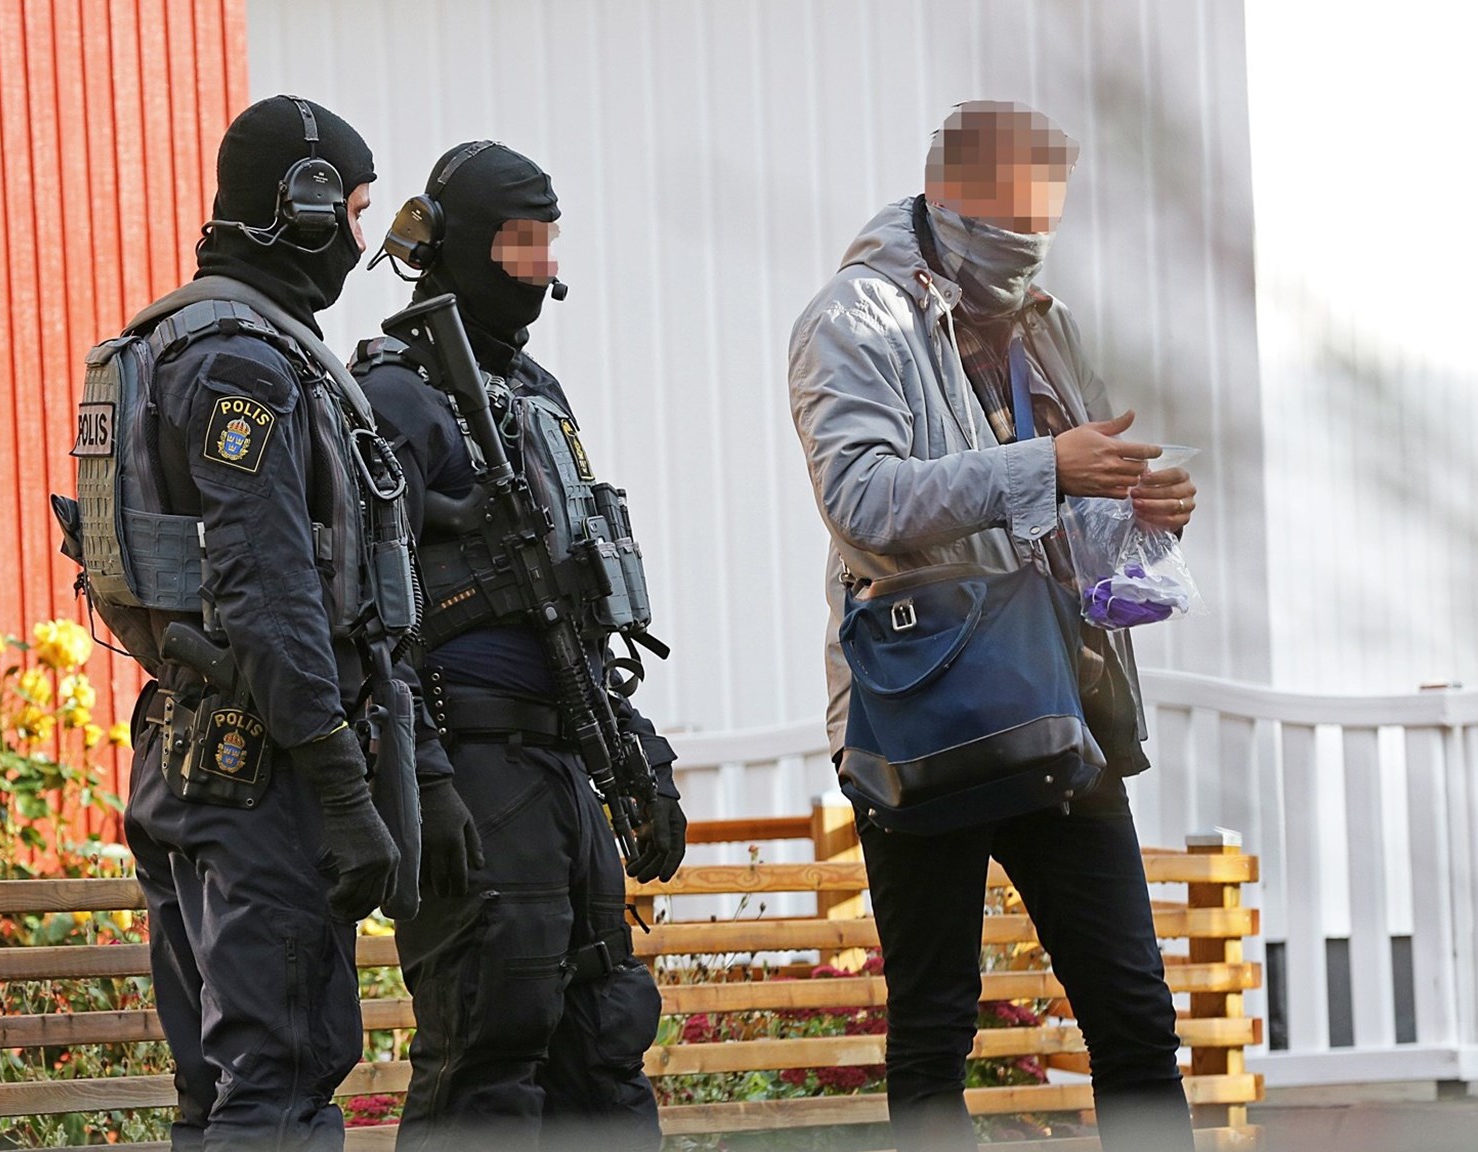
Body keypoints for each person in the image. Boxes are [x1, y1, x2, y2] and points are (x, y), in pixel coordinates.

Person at [786, 101, 1199, 1151]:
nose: (1029, 239)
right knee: (934, 1026)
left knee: (1133, 1018)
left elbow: (1072, 493)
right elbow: (862, 503)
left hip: (1063, 699)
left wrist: (1135, 505)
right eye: (1012, 215)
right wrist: (1044, 469)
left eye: (1044, 216)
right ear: (947, 195)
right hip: (923, 711)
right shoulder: (853, 318)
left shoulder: (1040, 316)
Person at [63, 94, 414, 1150]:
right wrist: (345, 789)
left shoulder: (173, 342)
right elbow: (270, 595)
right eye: (351, 208)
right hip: (262, 777)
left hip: (184, 757)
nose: (358, 237)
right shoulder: (243, 365)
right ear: (297, 204)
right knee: (278, 1076)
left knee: (211, 1091)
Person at [350, 140, 686, 1151]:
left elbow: (572, 599)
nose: (538, 263)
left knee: (602, 1036)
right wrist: (423, 778)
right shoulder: (397, 397)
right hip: (473, 763)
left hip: (560, 763)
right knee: (490, 1042)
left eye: (546, 240)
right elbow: (370, 618)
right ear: (453, 246)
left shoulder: (533, 395)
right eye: (515, 239)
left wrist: (638, 758)